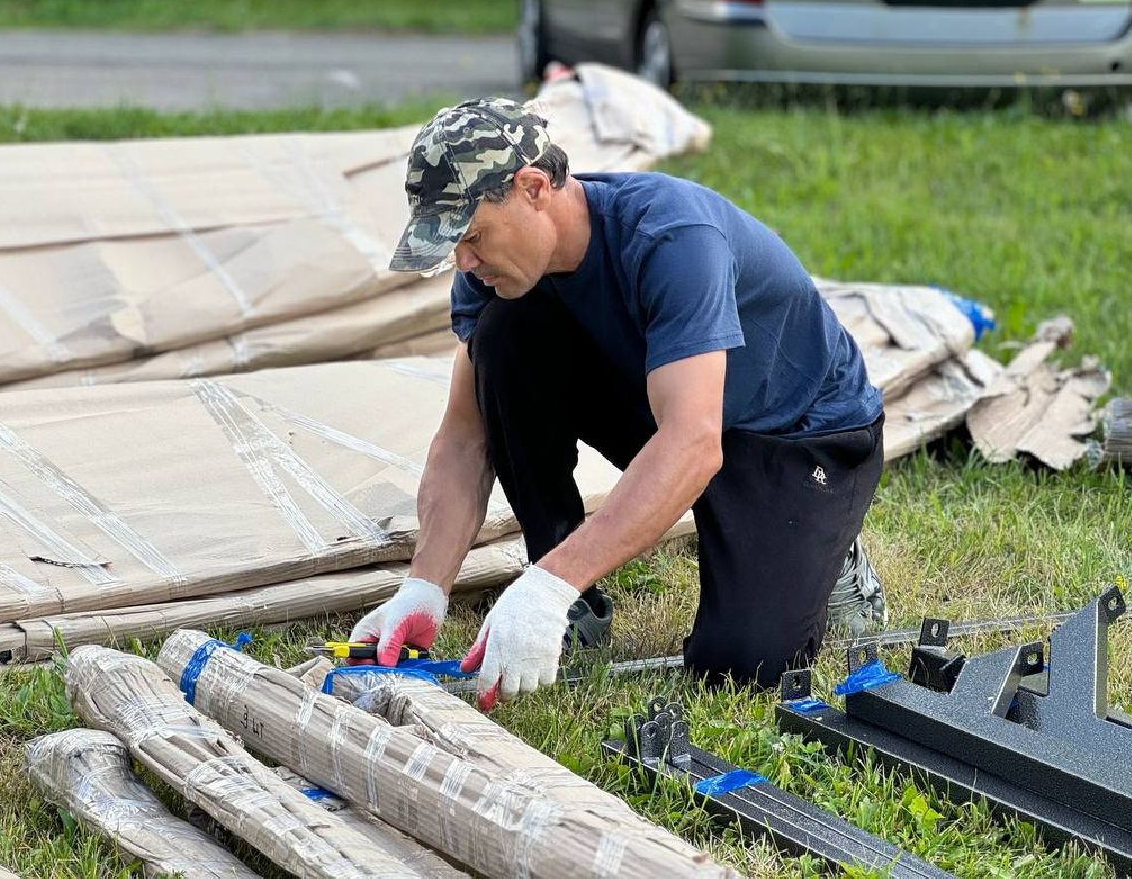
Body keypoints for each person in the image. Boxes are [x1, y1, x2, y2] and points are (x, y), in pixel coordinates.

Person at [350, 97, 886, 711]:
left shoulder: (673, 239)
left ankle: (830, 552)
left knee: (740, 664)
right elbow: (465, 437)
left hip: (794, 436)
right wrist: (425, 587)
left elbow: (692, 441)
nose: (464, 261)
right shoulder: (495, 270)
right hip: (674, 410)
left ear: (532, 189)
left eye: (472, 236)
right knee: (500, 340)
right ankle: (565, 584)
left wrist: (546, 588)